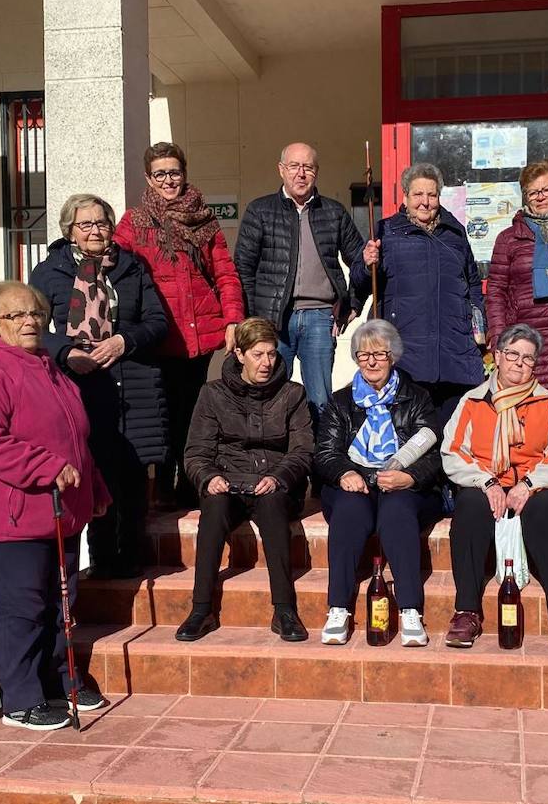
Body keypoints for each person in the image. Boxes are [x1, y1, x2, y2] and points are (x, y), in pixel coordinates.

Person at [0, 281, 111, 730]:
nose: (29, 322)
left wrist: (94, 487)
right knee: (23, 606)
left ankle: (60, 681)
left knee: (61, 602)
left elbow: (75, 439)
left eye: (34, 314)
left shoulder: (52, 369)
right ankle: (21, 700)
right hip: (11, 516)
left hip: (61, 511)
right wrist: (44, 467)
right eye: (15, 316)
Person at [30, 194, 168, 578]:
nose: (95, 230)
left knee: (134, 476)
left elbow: (157, 321)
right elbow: (36, 329)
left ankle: (135, 563)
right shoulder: (49, 273)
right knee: (97, 472)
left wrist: (125, 341)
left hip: (133, 382)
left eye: (101, 223)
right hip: (81, 385)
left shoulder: (132, 267)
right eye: (85, 224)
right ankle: (104, 564)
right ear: (70, 232)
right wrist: (67, 354)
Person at [113, 142, 245, 506]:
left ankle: (190, 484)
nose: (169, 180)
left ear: (184, 174)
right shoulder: (134, 223)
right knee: (163, 413)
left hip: (201, 336)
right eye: (160, 174)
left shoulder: (204, 219)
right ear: (148, 179)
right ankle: (165, 489)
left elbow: (225, 273)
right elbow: (115, 269)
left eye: (174, 172)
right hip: (160, 336)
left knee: (194, 412)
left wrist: (233, 319)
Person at [440, 324, 548, 651]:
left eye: (528, 359)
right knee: (470, 507)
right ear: (498, 357)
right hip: (486, 482)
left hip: (538, 486)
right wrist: (486, 481)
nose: (519, 363)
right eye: (513, 355)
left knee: (544, 512)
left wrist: (529, 484)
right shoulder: (473, 401)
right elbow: (453, 452)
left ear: (535, 365)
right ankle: (467, 611)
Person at [179, 317, 315, 643]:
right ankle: (201, 609)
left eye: (271, 354)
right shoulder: (213, 394)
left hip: (274, 482)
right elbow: (196, 452)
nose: (266, 362)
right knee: (212, 512)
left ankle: (284, 609)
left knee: (273, 509)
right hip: (227, 480)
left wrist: (278, 477)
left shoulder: (292, 393)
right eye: (258, 354)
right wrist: (208, 477)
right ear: (239, 354)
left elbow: (303, 451)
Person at [314, 319, 441, 647]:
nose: (371, 361)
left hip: (403, 484)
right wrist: (345, 473)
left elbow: (435, 454)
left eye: (380, 354)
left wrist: (409, 476)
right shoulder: (340, 402)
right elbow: (326, 452)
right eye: (363, 354)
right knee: (349, 512)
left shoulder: (418, 398)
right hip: (354, 482)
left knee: (397, 513)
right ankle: (338, 608)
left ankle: (411, 610)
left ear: (393, 356)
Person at [233, 142, 365, 417]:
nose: (300, 173)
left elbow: (363, 261)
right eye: (294, 166)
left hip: (319, 318)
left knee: (320, 400)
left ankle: (321, 457)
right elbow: (243, 267)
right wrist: (249, 319)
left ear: (316, 172)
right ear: (281, 170)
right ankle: (271, 458)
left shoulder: (334, 212)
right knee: (268, 395)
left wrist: (352, 303)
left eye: (308, 167)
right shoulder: (260, 211)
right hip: (271, 321)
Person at [358, 162, 487, 412]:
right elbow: (360, 284)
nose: (425, 201)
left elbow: (472, 283)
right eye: (418, 194)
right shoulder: (386, 231)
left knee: (451, 433)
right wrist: (365, 264)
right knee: (411, 435)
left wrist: (478, 323)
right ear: (405, 197)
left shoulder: (455, 233)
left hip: (454, 347)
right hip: (405, 349)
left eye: (432, 194)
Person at [486, 160, 548, 395]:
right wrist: (500, 341)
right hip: (527, 344)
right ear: (525, 196)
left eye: (547, 190)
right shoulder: (509, 239)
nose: (541, 197)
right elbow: (496, 293)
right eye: (533, 192)